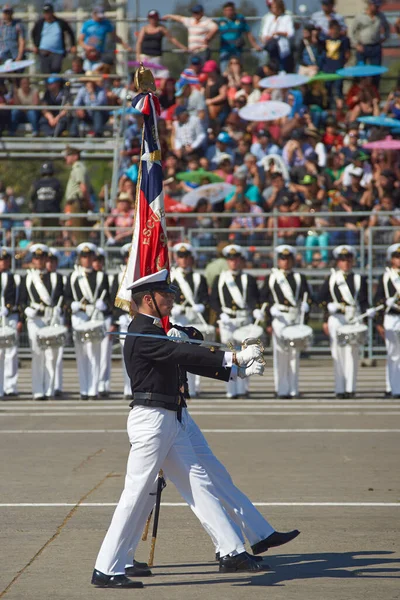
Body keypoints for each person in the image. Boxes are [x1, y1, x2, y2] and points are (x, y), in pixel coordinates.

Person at [92, 268, 267, 588]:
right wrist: (234, 358)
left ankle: (231, 550)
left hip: (169, 418)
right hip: (151, 420)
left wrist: (234, 371)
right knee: (135, 494)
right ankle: (106, 568)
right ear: (148, 299)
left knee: (198, 482)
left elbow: (186, 349)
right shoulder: (142, 331)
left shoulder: (156, 329)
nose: (171, 299)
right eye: (165, 295)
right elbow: (179, 352)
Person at [318, 245, 375, 398]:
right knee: (337, 352)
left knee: (352, 353)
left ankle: (351, 388)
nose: (346, 263)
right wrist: (327, 308)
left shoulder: (359, 279)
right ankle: (339, 389)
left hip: (354, 317)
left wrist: (368, 311)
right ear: (338, 262)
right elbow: (321, 299)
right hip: (336, 318)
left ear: (353, 261)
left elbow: (363, 300)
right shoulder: (331, 278)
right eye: (342, 260)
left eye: (348, 259)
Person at [260, 245, 312, 399]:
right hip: (280, 318)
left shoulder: (299, 277)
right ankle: (281, 389)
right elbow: (263, 298)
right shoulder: (272, 277)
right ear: (278, 260)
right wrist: (269, 318)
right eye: (282, 259)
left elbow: (307, 297)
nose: (285, 262)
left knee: (294, 355)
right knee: (280, 355)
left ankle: (293, 389)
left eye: (288, 259)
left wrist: (306, 306)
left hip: (295, 318)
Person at [210, 244, 260, 399]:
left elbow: (254, 298)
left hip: (244, 318)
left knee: (245, 355)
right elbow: (214, 301)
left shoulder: (248, 279)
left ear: (242, 261)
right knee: (229, 356)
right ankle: (231, 389)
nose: (233, 263)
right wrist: (220, 315)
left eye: (236, 259)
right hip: (227, 320)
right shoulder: (220, 279)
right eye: (230, 260)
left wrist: (255, 309)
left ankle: (243, 388)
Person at [64, 243, 110, 400]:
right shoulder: (73, 277)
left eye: (90, 256)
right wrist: (72, 305)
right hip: (79, 317)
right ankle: (84, 389)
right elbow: (67, 298)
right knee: (82, 353)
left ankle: (93, 389)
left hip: (95, 317)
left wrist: (103, 305)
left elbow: (109, 300)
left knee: (95, 354)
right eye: (84, 257)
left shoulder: (101, 277)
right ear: (79, 258)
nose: (87, 259)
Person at [19, 244, 64, 400]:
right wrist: (26, 310)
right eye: (36, 258)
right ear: (33, 260)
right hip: (34, 320)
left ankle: (49, 389)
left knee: (51, 355)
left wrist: (59, 309)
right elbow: (22, 300)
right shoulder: (28, 278)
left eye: (42, 258)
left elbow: (60, 298)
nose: (39, 261)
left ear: (46, 259)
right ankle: (38, 390)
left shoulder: (55, 277)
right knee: (37, 353)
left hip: (50, 318)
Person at [170, 243, 209, 398]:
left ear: (191, 259)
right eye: (180, 257)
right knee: (177, 353)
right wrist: (173, 308)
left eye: (186, 257)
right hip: (177, 317)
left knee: (194, 352)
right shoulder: (171, 277)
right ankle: (178, 385)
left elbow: (205, 298)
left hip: (194, 317)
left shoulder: (199, 278)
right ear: (176, 258)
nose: (184, 260)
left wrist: (202, 307)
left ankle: (194, 387)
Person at [374, 244, 400, 399]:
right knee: (392, 354)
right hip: (391, 317)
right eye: (397, 257)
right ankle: (393, 387)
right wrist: (379, 321)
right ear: (391, 259)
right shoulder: (386, 277)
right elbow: (377, 300)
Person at [135, 9, 187, 74]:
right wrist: (138, 57)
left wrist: (183, 47)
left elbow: (172, 39)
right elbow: (139, 42)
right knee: (144, 76)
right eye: (151, 18)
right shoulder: (144, 28)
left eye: (155, 18)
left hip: (156, 56)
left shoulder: (161, 28)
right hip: (145, 56)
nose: (153, 20)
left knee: (155, 76)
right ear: (148, 18)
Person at [110, 243, 132, 399]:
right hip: (125, 319)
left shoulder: (144, 274)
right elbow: (113, 299)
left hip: (141, 319)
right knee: (127, 355)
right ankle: (128, 388)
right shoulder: (118, 277)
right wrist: (120, 315)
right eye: (128, 256)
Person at [351, 0, 390, 85]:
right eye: (375, 6)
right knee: (360, 70)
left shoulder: (381, 16)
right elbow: (352, 32)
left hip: (375, 47)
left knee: (376, 71)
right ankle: (358, 91)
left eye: (378, 6)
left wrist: (384, 38)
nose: (376, 8)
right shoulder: (360, 16)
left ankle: (375, 92)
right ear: (369, 5)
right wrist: (356, 44)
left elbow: (387, 28)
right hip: (362, 47)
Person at [217, 2, 262, 73]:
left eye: (230, 10)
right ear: (224, 12)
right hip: (224, 50)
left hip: (236, 50)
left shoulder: (240, 19)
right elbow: (213, 32)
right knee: (224, 73)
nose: (229, 12)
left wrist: (255, 45)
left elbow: (248, 33)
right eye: (227, 10)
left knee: (236, 71)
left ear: (234, 10)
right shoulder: (220, 21)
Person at [0, 247, 21, 398]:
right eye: (2, 260)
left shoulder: (15, 278)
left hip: (11, 317)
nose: (4, 262)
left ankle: (10, 386)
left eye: (6, 260)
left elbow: (20, 299)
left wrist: (18, 317)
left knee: (11, 353)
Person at [31, 2, 76, 74]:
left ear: (52, 12)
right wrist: (36, 46)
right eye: (45, 13)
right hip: (44, 51)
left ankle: (58, 84)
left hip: (57, 51)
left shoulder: (60, 22)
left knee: (56, 69)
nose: (47, 15)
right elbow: (33, 33)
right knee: (45, 72)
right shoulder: (40, 23)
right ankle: (47, 85)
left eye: (48, 12)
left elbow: (70, 32)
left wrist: (73, 45)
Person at [93, 247, 113, 398]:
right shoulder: (82, 276)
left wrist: (106, 305)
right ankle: (94, 383)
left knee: (105, 353)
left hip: (104, 317)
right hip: (92, 318)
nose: (97, 263)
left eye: (99, 261)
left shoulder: (106, 277)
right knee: (94, 354)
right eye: (95, 260)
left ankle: (103, 384)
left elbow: (111, 298)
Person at [64, 146, 93, 244]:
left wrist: (88, 203)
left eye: (68, 155)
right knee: (76, 233)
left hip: (77, 203)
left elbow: (83, 188)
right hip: (75, 203)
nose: (66, 158)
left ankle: (83, 255)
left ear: (75, 156)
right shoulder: (76, 168)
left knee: (79, 233)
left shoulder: (78, 168)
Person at [45, 247, 64, 398]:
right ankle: (48, 384)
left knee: (58, 353)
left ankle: (57, 385)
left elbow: (65, 297)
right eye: (48, 261)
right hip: (45, 317)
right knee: (47, 354)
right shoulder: (39, 278)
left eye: (53, 262)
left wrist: (62, 310)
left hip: (57, 318)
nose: (50, 264)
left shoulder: (60, 278)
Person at [259, 0, 294, 73]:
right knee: (271, 66)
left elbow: (291, 33)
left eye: (274, 7)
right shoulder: (269, 18)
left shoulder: (287, 18)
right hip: (270, 46)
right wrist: (266, 37)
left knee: (282, 68)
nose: (272, 9)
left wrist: (279, 33)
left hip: (281, 47)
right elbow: (264, 33)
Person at [30, 162, 63, 236]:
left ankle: (38, 247)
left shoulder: (36, 183)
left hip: (39, 212)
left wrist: (34, 207)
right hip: (53, 213)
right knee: (52, 235)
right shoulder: (56, 183)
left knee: (37, 235)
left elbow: (32, 197)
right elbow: (60, 196)